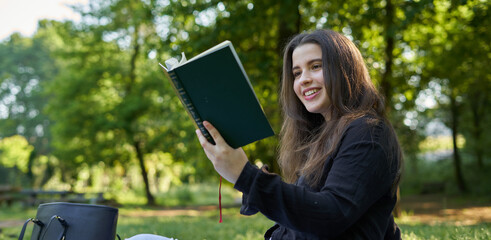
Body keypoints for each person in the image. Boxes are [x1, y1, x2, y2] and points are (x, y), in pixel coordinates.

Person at [196, 29, 403, 239]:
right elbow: (307, 219)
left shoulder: (368, 132)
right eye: (297, 73)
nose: (303, 79)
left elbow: (331, 214)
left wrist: (245, 175)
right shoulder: (320, 137)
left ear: (344, 69)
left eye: (315, 66)